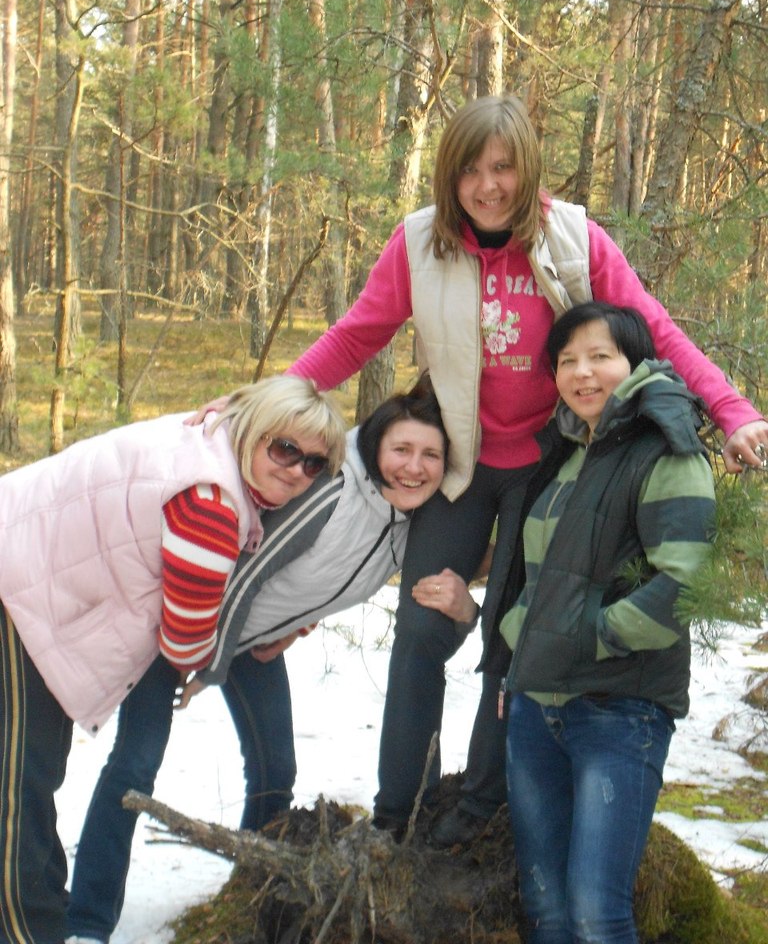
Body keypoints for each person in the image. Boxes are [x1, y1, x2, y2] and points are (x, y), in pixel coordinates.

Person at [189, 94, 768, 846]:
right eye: (469, 170)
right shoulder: (420, 242)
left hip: (549, 471)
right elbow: (357, 334)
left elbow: (652, 328)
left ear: (527, 168)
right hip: (461, 468)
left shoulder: (573, 238)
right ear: (449, 175)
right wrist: (263, 405)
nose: (487, 186)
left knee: (512, 644)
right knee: (422, 632)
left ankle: (480, 809)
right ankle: (399, 813)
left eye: (502, 168)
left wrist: (731, 409)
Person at [65, 377, 475, 944]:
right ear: (375, 446)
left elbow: (328, 582)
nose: (414, 467)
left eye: (430, 455)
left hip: (248, 643)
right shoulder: (335, 493)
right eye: (401, 449)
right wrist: (203, 661)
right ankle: (86, 921)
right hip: (181, 623)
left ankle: (249, 891)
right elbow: (247, 576)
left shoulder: (408, 528)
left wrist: (299, 626)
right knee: (136, 764)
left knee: (275, 769)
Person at [0, 376, 347, 944]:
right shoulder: (212, 506)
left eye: (313, 464)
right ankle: (29, 931)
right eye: (285, 449)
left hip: (39, 585)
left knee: (30, 779)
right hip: (18, 587)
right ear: (254, 431)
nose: (295, 471)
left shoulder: (211, 441)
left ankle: (47, 919)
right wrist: (212, 651)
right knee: (18, 788)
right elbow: (184, 642)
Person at [482, 301, 717, 943]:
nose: (582, 373)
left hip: (619, 709)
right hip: (536, 706)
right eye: (567, 361)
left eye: (599, 356)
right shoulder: (565, 454)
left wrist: (592, 637)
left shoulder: (666, 450)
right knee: (546, 909)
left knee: (596, 913)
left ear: (635, 363)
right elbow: (538, 578)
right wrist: (520, 652)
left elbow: (684, 584)